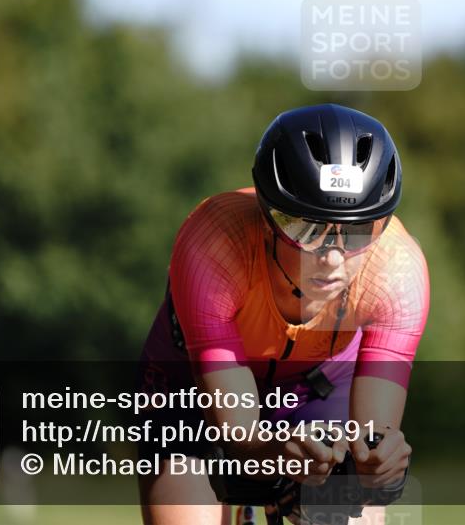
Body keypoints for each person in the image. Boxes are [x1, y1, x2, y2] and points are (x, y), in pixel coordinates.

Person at [137, 104, 429, 525]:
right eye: (306, 229)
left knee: (350, 514)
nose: (332, 258)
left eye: (358, 231)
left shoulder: (398, 270)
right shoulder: (214, 243)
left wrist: (376, 461)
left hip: (317, 384)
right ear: (268, 216)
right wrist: (270, 456)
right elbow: (238, 437)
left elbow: (372, 439)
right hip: (189, 383)